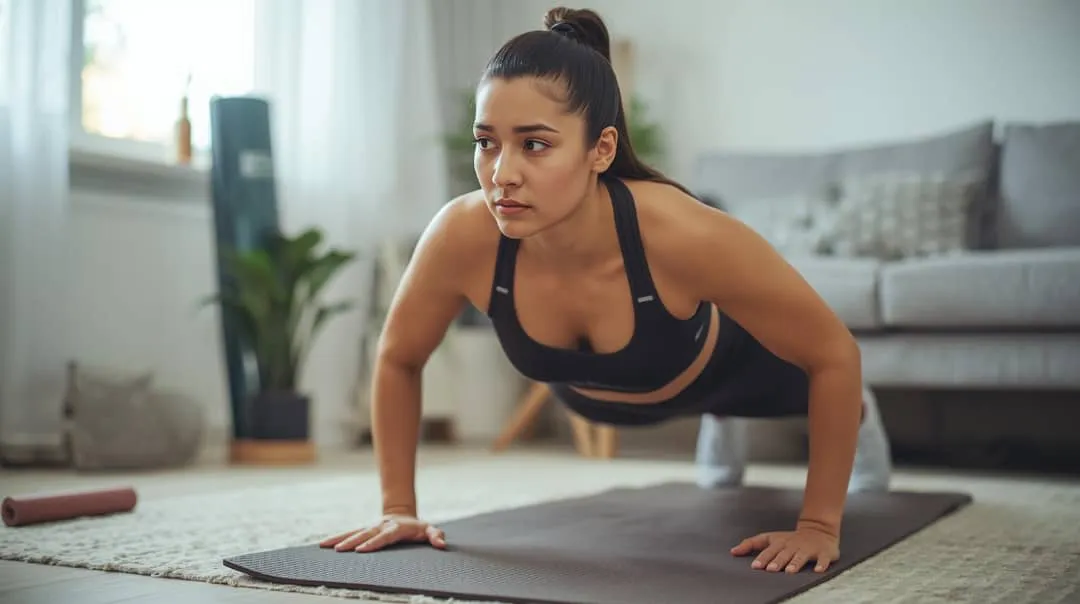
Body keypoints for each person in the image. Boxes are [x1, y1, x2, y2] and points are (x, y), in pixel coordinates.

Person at [319, 6, 892, 576]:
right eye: (486, 141)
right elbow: (398, 358)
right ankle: (723, 423)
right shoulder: (462, 234)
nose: (501, 173)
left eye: (535, 144)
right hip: (595, 394)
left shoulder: (681, 231)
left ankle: (821, 417)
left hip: (732, 371)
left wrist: (818, 524)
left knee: (821, 387)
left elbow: (834, 354)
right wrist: (399, 510)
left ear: (602, 149)